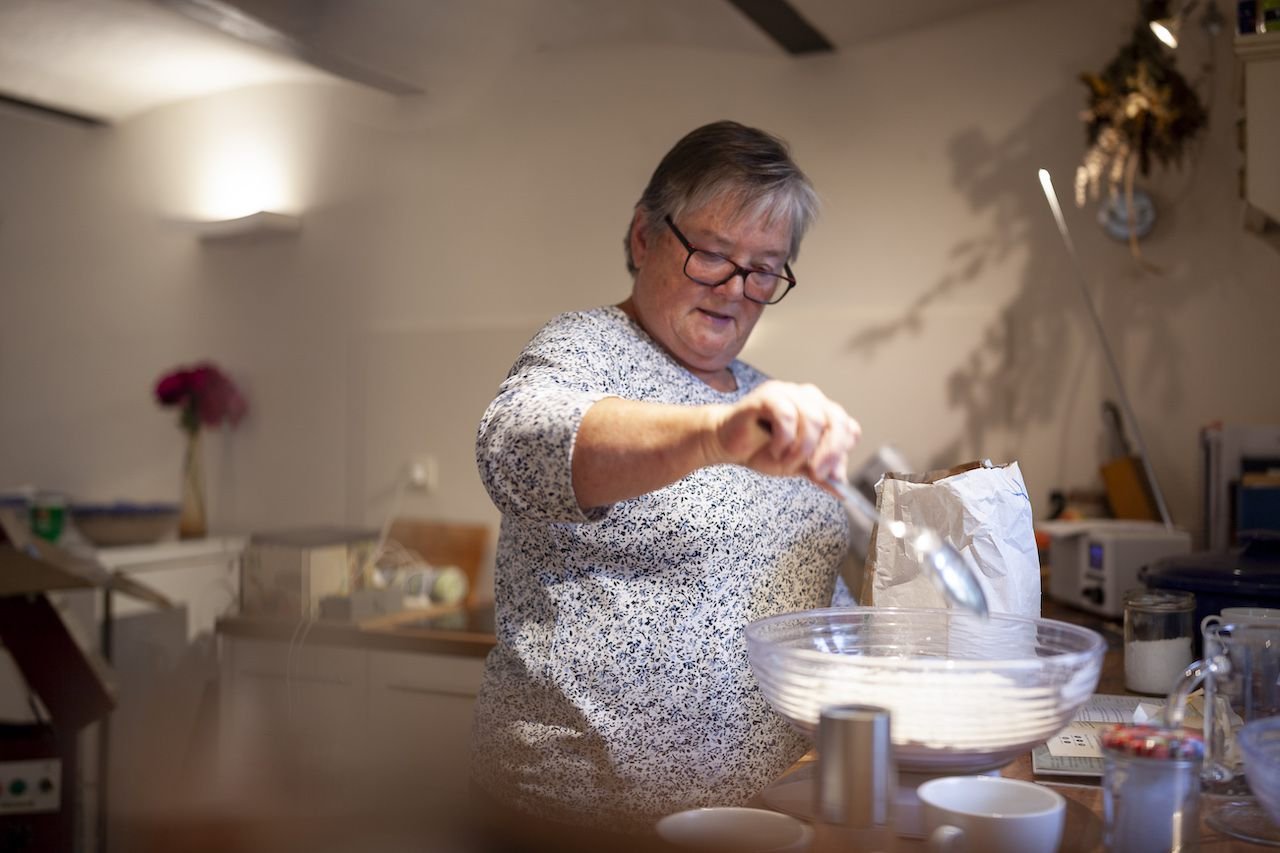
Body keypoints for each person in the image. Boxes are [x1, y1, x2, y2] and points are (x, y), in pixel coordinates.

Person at [470, 120, 862, 834]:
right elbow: (516, 451)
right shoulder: (585, 347)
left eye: (765, 269)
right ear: (644, 237)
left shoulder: (761, 394)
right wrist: (715, 435)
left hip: (764, 812)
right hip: (579, 823)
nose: (736, 289)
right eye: (713, 254)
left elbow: (818, 578)